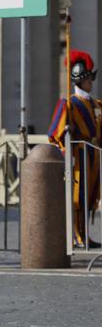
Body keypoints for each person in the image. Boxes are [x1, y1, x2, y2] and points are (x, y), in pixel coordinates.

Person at [48, 49, 102, 248]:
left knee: (92, 196)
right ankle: (77, 236)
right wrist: (67, 137)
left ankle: (85, 234)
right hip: (78, 155)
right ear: (80, 80)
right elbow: (55, 132)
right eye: (88, 79)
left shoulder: (96, 104)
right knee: (78, 197)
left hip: (94, 154)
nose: (91, 82)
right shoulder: (68, 103)